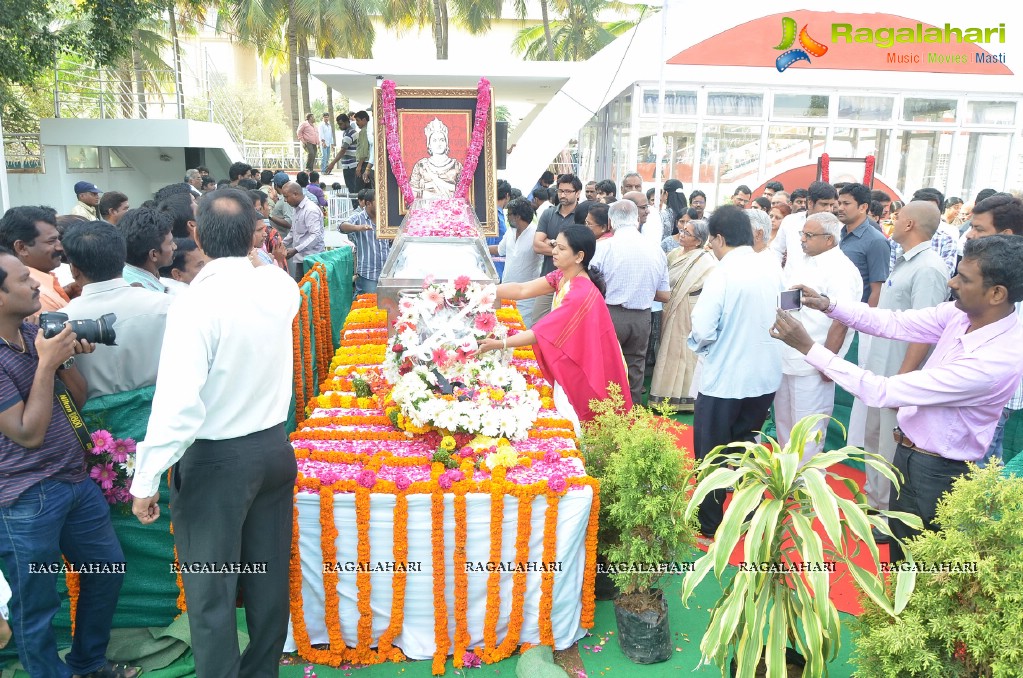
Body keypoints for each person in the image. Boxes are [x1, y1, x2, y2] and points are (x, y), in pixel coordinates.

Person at [130, 188, 300, 678]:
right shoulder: (276, 287)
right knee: (267, 577)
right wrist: (263, 252)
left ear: (195, 233)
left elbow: (178, 406)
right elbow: (269, 269)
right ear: (256, 234)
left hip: (217, 462)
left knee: (210, 591)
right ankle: (260, 670)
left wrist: (145, 480)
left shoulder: (194, 303)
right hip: (271, 449)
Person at [772, 235, 1023, 562]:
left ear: (996, 293)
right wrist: (828, 304)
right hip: (914, 456)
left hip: (939, 473)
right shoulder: (963, 314)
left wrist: (810, 349)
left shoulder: (994, 360)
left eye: (963, 278)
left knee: (918, 564)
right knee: (902, 553)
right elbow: (892, 322)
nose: (952, 282)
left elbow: (881, 390)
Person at [0, 247, 140, 678]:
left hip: (73, 480)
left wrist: (63, 360)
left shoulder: (30, 332)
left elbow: (75, 399)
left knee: (108, 570)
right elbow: (26, 432)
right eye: (24, 279)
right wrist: (46, 363)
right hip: (25, 496)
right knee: (37, 599)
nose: (36, 285)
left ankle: (87, 664)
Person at [689, 206, 783, 539]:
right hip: (764, 378)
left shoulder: (723, 272)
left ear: (718, 238)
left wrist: (704, 348)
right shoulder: (771, 266)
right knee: (747, 447)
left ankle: (708, 524)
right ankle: (750, 516)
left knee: (712, 454)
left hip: (725, 380)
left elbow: (702, 328)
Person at [857, 201, 949, 540]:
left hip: (897, 378)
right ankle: (876, 505)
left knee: (889, 450)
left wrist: (904, 380)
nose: (892, 222)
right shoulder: (908, 262)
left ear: (909, 223)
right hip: (882, 374)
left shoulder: (928, 268)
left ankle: (888, 518)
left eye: (897, 218)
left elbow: (926, 332)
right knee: (874, 443)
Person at [479, 225, 631, 431]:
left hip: (585, 363)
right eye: (554, 245)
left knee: (580, 417)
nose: (554, 252)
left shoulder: (580, 292)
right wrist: (484, 290)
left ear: (579, 256)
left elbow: (541, 332)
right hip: (575, 355)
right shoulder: (563, 276)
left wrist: (500, 343)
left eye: (561, 248)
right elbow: (523, 289)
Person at [775, 213, 863, 464]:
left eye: (809, 235)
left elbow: (842, 320)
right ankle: (785, 482)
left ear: (829, 239)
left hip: (814, 362)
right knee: (784, 424)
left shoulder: (842, 270)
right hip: (786, 356)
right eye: (802, 234)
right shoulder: (801, 260)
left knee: (809, 431)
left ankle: (805, 491)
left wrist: (827, 362)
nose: (802, 239)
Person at [61, 221, 173, 399]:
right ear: (123, 260)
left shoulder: (61, 323)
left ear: (73, 269)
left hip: (96, 424)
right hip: (163, 414)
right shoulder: (168, 306)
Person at [591, 198, 670, 407]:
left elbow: (589, 283)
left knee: (606, 365)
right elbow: (665, 295)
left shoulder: (603, 247)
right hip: (642, 316)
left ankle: (605, 413)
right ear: (637, 220)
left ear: (610, 222)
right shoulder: (656, 250)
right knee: (636, 367)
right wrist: (640, 289)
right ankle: (632, 414)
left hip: (610, 313)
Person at [649, 217, 715, 412]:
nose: (682, 234)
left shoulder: (706, 261)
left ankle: (684, 397)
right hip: (669, 306)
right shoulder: (673, 254)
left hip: (689, 310)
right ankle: (663, 395)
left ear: (698, 240)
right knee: (667, 349)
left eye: (687, 233)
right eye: (682, 230)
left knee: (684, 351)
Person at [0, 206, 70, 322]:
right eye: (51, 241)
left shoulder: (46, 283)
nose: (60, 246)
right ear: (21, 247)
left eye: (58, 239)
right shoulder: (37, 296)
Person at [532, 174, 582, 324]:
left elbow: (580, 249)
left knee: (565, 326)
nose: (563, 195)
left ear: (578, 193)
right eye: (560, 191)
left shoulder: (583, 215)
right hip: (548, 277)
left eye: (568, 191)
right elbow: (537, 245)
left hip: (573, 281)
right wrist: (565, 249)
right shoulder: (548, 213)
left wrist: (550, 242)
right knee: (538, 323)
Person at [497, 198, 542, 326]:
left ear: (517, 216)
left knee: (523, 334)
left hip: (527, 296)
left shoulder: (537, 234)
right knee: (505, 330)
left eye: (509, 214)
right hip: (506, 291)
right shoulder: (510, 232)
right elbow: (500, 250)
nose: (507, 217)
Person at [117, 207, 176, 293]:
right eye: (171, 243)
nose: (175, 247)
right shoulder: (151, 295)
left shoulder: (125, 275)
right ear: (153, 254)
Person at [339, 190, 385, 295]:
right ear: (368, 203)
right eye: (379, 201)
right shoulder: (359, 217)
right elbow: (341, 226)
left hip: (385, 273)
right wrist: (358, 228)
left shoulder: (384, 218)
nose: (382, 204)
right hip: (368, 274)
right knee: (368, 306)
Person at [410, 118, 464, 200]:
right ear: (429, 145)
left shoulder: (456, 166)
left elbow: (462, 192)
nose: (439, 144)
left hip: (450, 210)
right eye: (434, 140)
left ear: (446, 143)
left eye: (442, 140)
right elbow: (413, 193)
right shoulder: (421, 165)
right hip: (426, 210)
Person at [282, 181, 325, 282]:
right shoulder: (296, 209)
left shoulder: (310, 210)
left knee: (310, 292)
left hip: (312, 260)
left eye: (286, 197)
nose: (285, 200)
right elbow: (293, 232)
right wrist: (281, 244)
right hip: (301, 259)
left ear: (295, 194)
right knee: (301, 291)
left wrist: (295, 249)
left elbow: (316, 236)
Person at [353, 110, 374, 192]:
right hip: (367, 163)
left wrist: (359, 166)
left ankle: (359, 205)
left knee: (359, 190)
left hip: (364, 163)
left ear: (364, 120)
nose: (357, 123)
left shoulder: (364, 132)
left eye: (358, 120)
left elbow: (364, 151)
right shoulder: (367, 130)